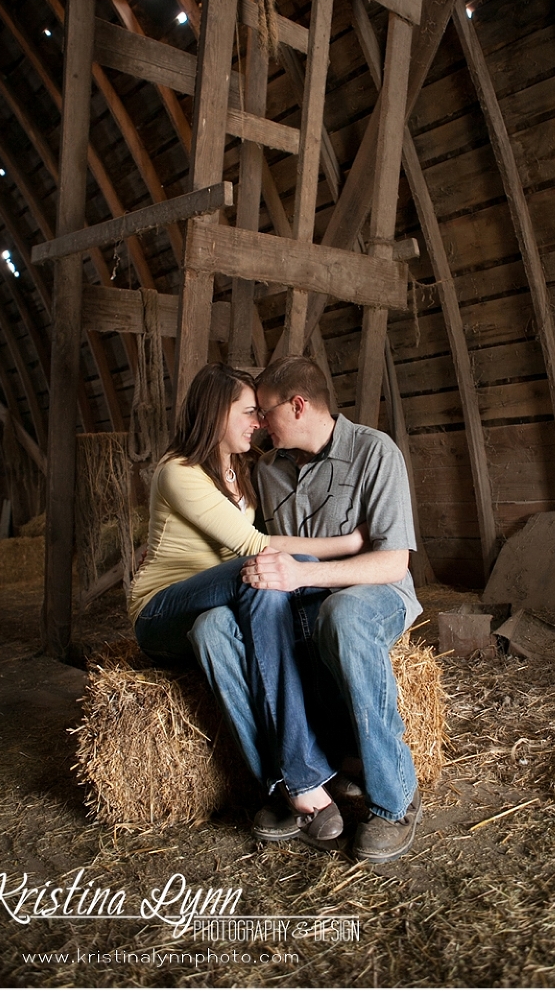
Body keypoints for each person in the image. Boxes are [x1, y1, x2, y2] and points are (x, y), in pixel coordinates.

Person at [189, 355, 423, 863]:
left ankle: (395, 799)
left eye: (264, 411)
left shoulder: (374, 452)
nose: (257, 423)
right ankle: (289, 782)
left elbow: (391, 562)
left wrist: (305, 574)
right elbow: (244, 540)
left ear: (297, 406)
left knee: (341, 615)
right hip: (294, 598)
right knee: (210, 628)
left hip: (370, 593)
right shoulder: (266, 470)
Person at [128, 362, 367, 841]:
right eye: (250, 411)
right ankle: (308, 771)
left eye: (261, 412)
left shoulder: (241, 470)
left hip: (212, 609)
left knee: (219, 628)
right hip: (161, 612)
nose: (259, 422)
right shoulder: (178, 471)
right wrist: (347, 547)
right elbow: (256, 549)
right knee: (261, 572)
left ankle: (282, 789)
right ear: (216, 412)